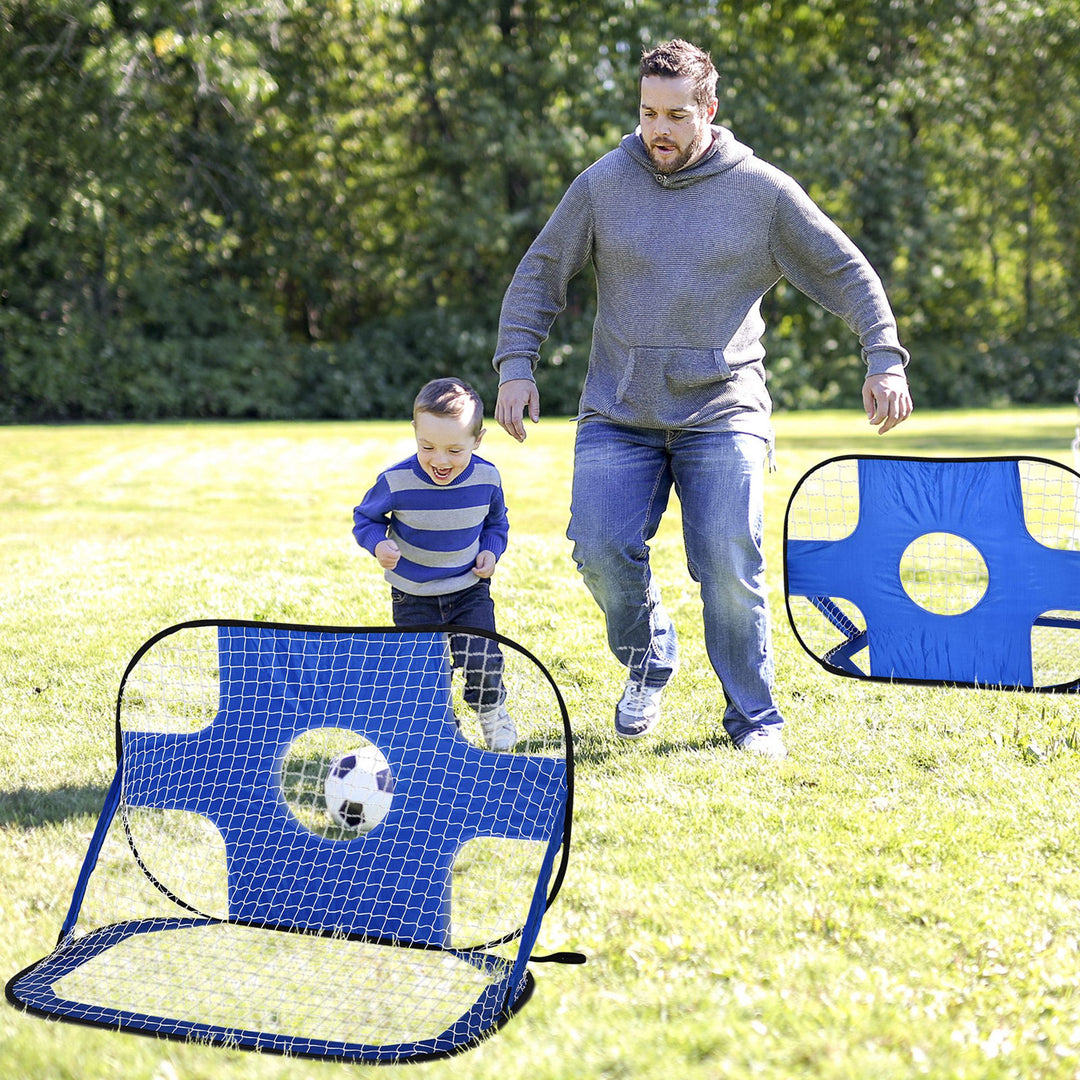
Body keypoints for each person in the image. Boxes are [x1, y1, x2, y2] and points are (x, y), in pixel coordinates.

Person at [492, 38, 913, 760]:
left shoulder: (762, 192)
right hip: (618, 410)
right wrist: (515, 363)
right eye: (649, 112)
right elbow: (539, 274)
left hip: (723, 409)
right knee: (596, 548)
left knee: (727, 558)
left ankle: (754, 718)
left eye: (677, 115)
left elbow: (845, 270)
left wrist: (884, 358)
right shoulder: (603, 183)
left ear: (709, 109)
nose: (659, 129)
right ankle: (650, 654)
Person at [352, 377, 516, 751]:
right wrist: (378, 545)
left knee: (483, 656)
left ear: (477, 440)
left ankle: (490, 710)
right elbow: (365, 519)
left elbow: (496, 521)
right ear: (415, 433)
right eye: (427, 446)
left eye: (454, 450)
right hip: (413, 595)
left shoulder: (487, 477)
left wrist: (491, 550)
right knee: (423, 673)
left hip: (469, 588)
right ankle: (445, 730)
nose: (440, 460)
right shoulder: (397, 480)